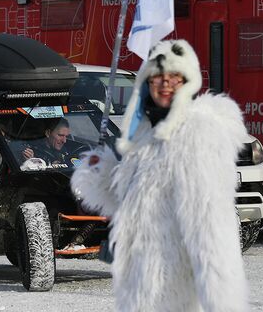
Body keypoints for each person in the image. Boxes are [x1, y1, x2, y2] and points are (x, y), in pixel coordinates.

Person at [71, 39, 250, 312]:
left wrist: (222, 302)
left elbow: (210, 228)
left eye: (173, 78)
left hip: (174, 290)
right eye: (157, 78)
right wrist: (100, 170)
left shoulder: (195, 135)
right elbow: (130, 205)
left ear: (187, 82)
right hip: (141, 287)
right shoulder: (146, 132)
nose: (165, 84)